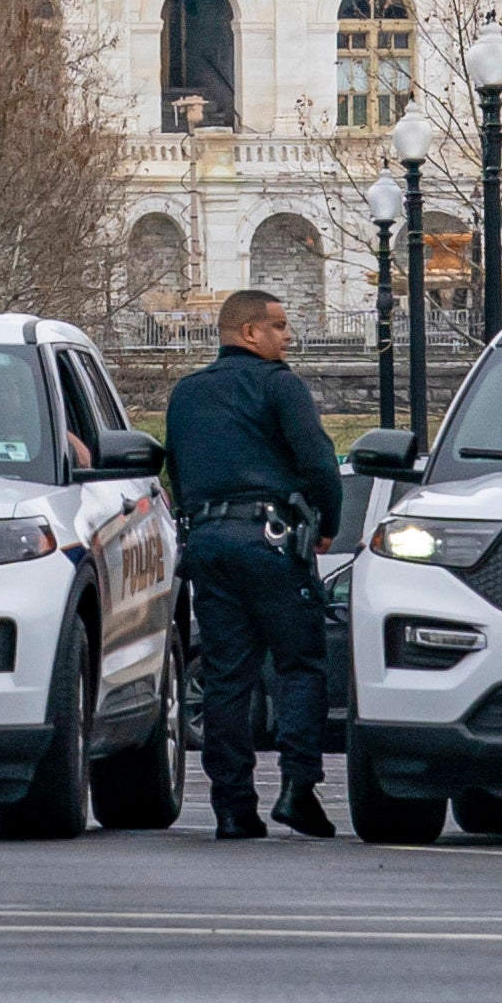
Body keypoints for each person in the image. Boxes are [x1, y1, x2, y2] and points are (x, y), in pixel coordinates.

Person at [162, 287, 343, 838]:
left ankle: (233, 806)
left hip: (208, 544)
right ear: (249, 333)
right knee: (299, 664)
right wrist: (328, 525)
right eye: (280, 326)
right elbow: (319, 461)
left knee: (226, 677)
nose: (289, 337)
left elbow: (178, 470)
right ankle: (297, 788)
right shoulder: (279, 385)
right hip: (270, 540)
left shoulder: (186, 394)